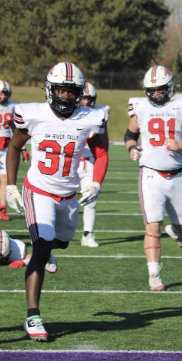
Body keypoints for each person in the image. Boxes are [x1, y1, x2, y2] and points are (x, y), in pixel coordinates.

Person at [6, 62, 109, 341]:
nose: (65, 97)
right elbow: (14, 147)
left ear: (79, 93)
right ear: (50, 90)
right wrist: (10, 187)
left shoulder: (91, 117)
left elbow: (101, 153)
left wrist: (96, 182)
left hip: (68, 195)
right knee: (40, 249)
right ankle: (32, 316)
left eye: (70, 92)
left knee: (60, 242)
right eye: (60, 91)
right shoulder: (33, 114)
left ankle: (48, 245)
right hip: (38, 190)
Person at [124, 65, 182, 291]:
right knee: (153, 228)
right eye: (152, 90)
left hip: (177, 175)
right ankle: (154, 275)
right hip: (150, 174)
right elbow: (130, 134)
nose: (156, 94)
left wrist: (180, 144)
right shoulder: (139, 107)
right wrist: (132, 147)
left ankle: (176, 232)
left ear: (170, 87)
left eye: (161, 89)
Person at [78, 82, 111, 247]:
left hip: (90, 161)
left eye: (89, 98)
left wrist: (104, 157)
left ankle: (87, 234)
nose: (86, 102)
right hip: (71, 162)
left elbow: (104, 137)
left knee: (91, 198)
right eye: (83, 98)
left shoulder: (100, 113)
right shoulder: (69, 113)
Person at [0, 80, 28, 221]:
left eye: (5, 94)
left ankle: (2, 210)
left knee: (5, 179)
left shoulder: (14, 106)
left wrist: (22, 147)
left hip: (6, 147)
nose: (3, 97)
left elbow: (17, 129)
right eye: (0, 93)